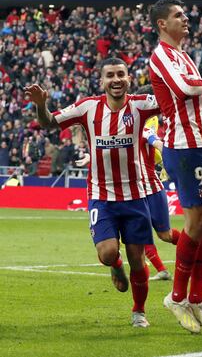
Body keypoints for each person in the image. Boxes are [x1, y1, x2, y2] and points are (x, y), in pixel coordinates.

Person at [25, 57, 160, 328]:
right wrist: (41, 105)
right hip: (101, 196)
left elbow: (176, 102)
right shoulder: (88, 107)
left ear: (129, 78)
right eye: (110, 75)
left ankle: (139, 311)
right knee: (108, 253)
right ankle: (114, 264)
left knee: (138, 259)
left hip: (135, 196)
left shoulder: (141, 104)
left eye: (121, 74)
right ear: (102, 81)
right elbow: (51, 123)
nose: (116, 80)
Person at [149, 0, 202, 334]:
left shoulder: (183, 56)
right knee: (196, 221)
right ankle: (177, 296)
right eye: (178, 15)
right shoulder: (161, 56)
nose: (186, 19)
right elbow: (183, 90)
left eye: (185, 15)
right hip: (183, 147)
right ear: (161, 24)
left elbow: (196, 107)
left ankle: (197, 298)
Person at [76, 114, 181, 281]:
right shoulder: (119, 134)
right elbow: (108, 152)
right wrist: (91, 157)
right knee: (137, 238)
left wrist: (169, 154)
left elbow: (157, 143)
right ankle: (161, 269)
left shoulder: (144, 131)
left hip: (151, 190)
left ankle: (193, 249)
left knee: (165, 235)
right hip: (133, 193)